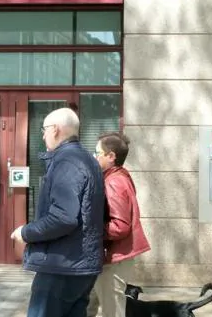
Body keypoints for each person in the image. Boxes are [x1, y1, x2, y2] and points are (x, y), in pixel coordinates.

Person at [10, 107, 105, 317]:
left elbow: (63, 217)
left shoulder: (67, 162)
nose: (43, 135)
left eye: (43, 130)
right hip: (78, 264)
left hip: (61, 265)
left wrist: (25, 232)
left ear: (55, 129)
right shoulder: (88, 160)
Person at [87, 132, 151, 317]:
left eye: (97, 152)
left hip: (114, 259)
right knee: (91, 305)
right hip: (110, 257)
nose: (94, 156)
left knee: (112, 312)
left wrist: (91, 231)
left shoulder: (114, 182)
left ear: (111, 156)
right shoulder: (118, 177)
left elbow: (120, 226)